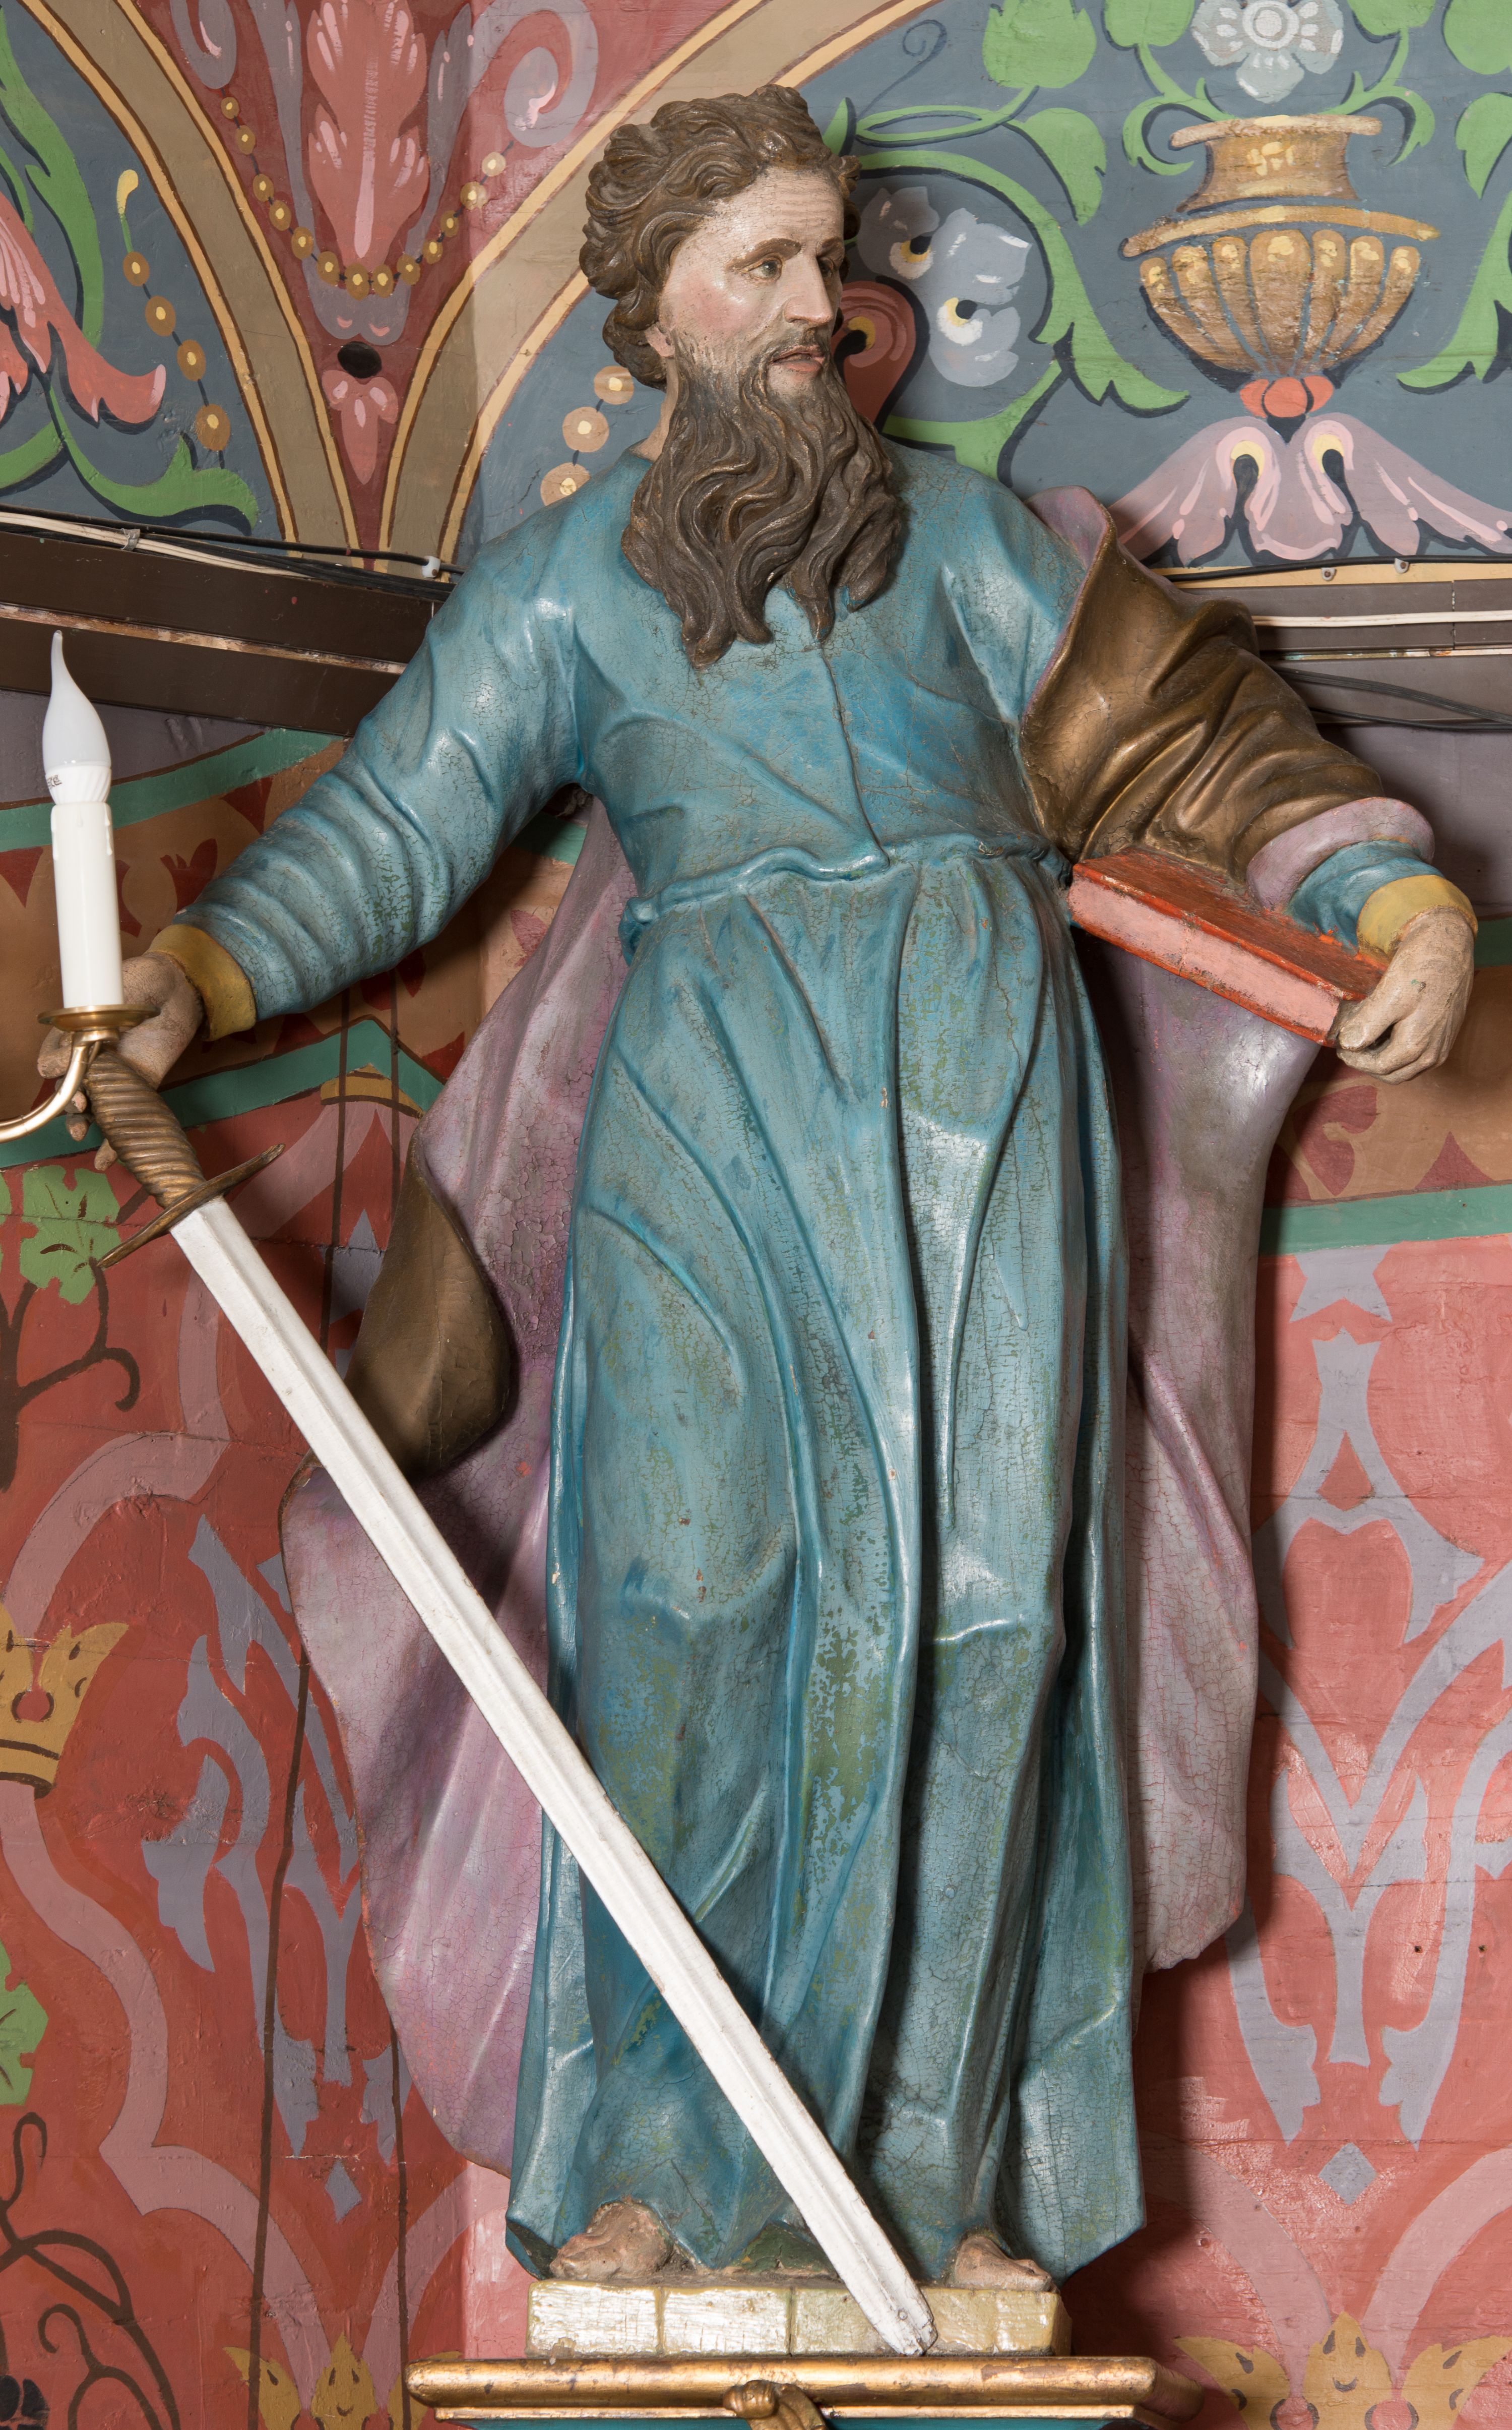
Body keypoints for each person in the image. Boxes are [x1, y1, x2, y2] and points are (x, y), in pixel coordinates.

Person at [53, 89, 1473, 2295]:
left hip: (984, 1105)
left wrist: (1393, 894)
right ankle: (661, 2153)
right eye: (768, 267)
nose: (825, 307)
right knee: (685, 1607)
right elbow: (401, 824)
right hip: (706, 1113)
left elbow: (1200, 749)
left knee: (988, 1620)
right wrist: (202, 974)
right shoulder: (562, 592)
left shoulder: (969, 548)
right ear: (655, 318)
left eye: (835, 258)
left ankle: (944, 2166)